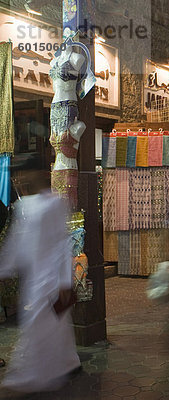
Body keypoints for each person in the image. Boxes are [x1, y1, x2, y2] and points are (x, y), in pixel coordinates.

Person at [0, 153, 80, 392]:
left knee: (40, 328)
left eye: (25, 172)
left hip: (51, 280)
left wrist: (65, 281)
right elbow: (17, 242)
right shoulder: (24, 205)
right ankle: (64, 365)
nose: (21, 178)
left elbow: (62, 245)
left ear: (38, 174)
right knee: (49, 328)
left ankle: (30, 378)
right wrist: (4, 269)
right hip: (34, 279)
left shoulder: (55, 203)